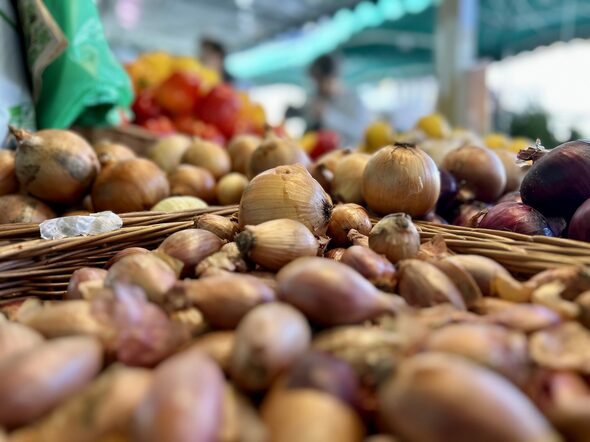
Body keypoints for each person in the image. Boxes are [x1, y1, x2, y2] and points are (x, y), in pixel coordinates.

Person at [301, 54, 370, 147]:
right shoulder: (317, 99)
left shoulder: (353, 99)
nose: (320, 87)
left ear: (335, 78)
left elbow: (362, 134)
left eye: (322, 81)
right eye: (317, 82)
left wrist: (328, 115)